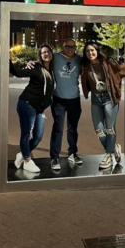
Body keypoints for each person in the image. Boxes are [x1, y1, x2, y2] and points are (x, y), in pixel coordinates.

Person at [81, 41, 125, 170]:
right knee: (99, 130)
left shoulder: (109, 63)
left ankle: (108, 156)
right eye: (88, 51)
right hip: (95, 100)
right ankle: (113, 149)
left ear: (97, 50)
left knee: (109, 128)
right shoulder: (85, 65)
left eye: (92, 50)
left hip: (109, 99)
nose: (90, 53)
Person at [27, 38, 82, 171]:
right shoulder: (56, 57)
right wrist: (31, 63)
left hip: (74, 99)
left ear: (75, 48)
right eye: (67, 46)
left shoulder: (79, 59)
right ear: (63, 47)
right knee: (58, 128)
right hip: (58, 99)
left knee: (73, 128)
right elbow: (43, 61)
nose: (70, 49)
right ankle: (54, 157)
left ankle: (72, 153)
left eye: (72, 47)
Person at [10, 44, 55, 173]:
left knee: (38, 136)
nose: (46, 54)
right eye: (43, 53)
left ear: (52, 53)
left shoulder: (52, 70)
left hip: (39, 109)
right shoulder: (35, 67)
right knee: (26, 134)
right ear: (40, 56)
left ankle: (23, 154)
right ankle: (27, 160)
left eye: (48, 52)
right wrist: (7, 59)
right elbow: (17, 73)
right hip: (27, 104)